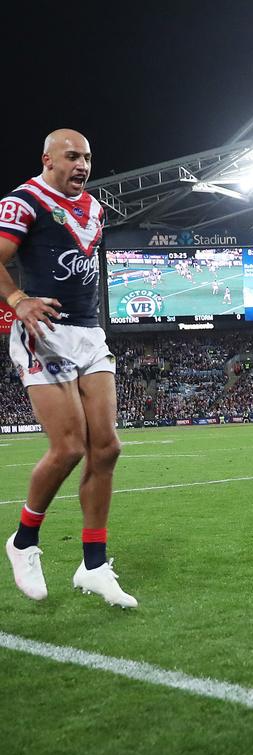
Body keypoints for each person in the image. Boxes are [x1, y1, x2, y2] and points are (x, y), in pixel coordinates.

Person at [1, 129, 136, 608]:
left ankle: (94, 565)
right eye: (72, 156)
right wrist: (18, 299)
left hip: (89, 333)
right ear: (48, 158)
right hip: (45, 332)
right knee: (70, 447)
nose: (82, 165)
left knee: (107, 447)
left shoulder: (95, 207)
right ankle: (23, 542)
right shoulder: (24, 201)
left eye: (88, 158)